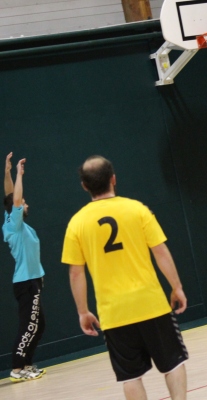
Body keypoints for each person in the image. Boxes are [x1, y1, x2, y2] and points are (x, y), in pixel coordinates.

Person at [61, 156, 189, 400]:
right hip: (150, 304)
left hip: (114, 313)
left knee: (131, 377)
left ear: (84, 186)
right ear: (113, 179)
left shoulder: (76, 223)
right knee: (172, 364)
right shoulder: (137, 209)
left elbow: (76, 272)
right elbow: (160, 251)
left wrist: (83, 311)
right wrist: (177, 287)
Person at [3, 153, 46, 382]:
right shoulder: (16, 224)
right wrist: (19, 174)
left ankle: (27, 364)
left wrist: (7, 172)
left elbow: (10, 197)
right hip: (26, 282)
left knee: (38, 326)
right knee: (28, 326)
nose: (25, 204)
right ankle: (17, 369)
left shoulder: (11, 221)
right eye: (23, 202)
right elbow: (16, 199)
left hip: (33, 280)